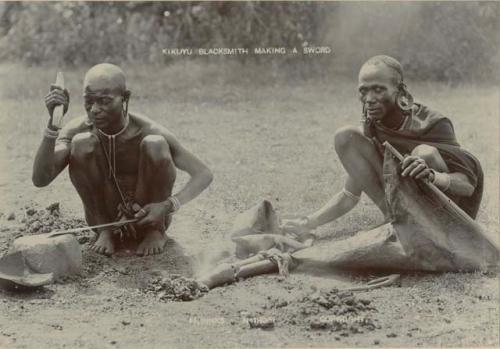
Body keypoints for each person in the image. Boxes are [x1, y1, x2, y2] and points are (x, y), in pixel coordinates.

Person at [282, 55, 483, 237]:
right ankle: (396, 221)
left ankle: (428, 233)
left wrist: (431, 175)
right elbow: (350, 194)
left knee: (424, 153)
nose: (369, 99)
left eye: (378, 89)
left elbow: (466, 186)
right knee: (346, 137)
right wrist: (309, 222)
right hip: (405, 214)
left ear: (401, 91)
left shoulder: (433, 123)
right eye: (364, 91)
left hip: (447, 217)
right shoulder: (374, 127)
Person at [33, 63, 213, 256]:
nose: (94, 109)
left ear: (125, 98)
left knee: (155, 144)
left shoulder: (147, 130)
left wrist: (167, 206)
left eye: (104, 101)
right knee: (81, 143)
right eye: (89, 100)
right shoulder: (78, 130)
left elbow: (203, 173)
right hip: (103, 219)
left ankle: (155, 232)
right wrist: (53, 123)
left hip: (148, 216)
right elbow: (41, 179)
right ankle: (106, 231)